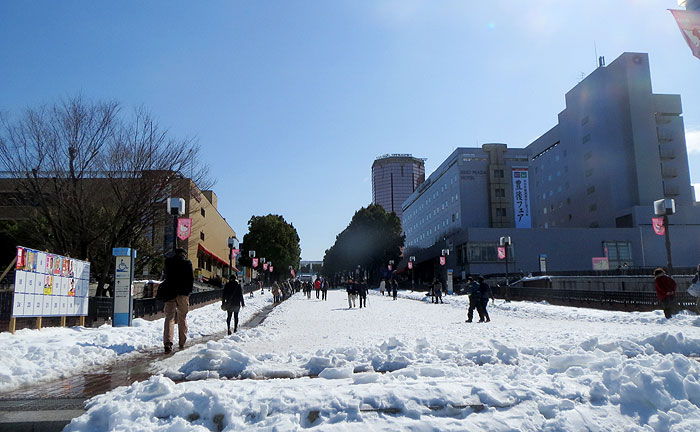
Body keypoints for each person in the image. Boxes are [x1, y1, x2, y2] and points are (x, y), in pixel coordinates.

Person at [158, 248, 194, 353]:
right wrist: (188, 292)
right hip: (183, 293)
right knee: (182, 317)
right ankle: (182, 342)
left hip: (169, 293)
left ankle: (168, 343)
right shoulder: (187, 263)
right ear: (184, 254)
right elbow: (191, 279)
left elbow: (165, 275)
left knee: (169, 317)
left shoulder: (168, 262)